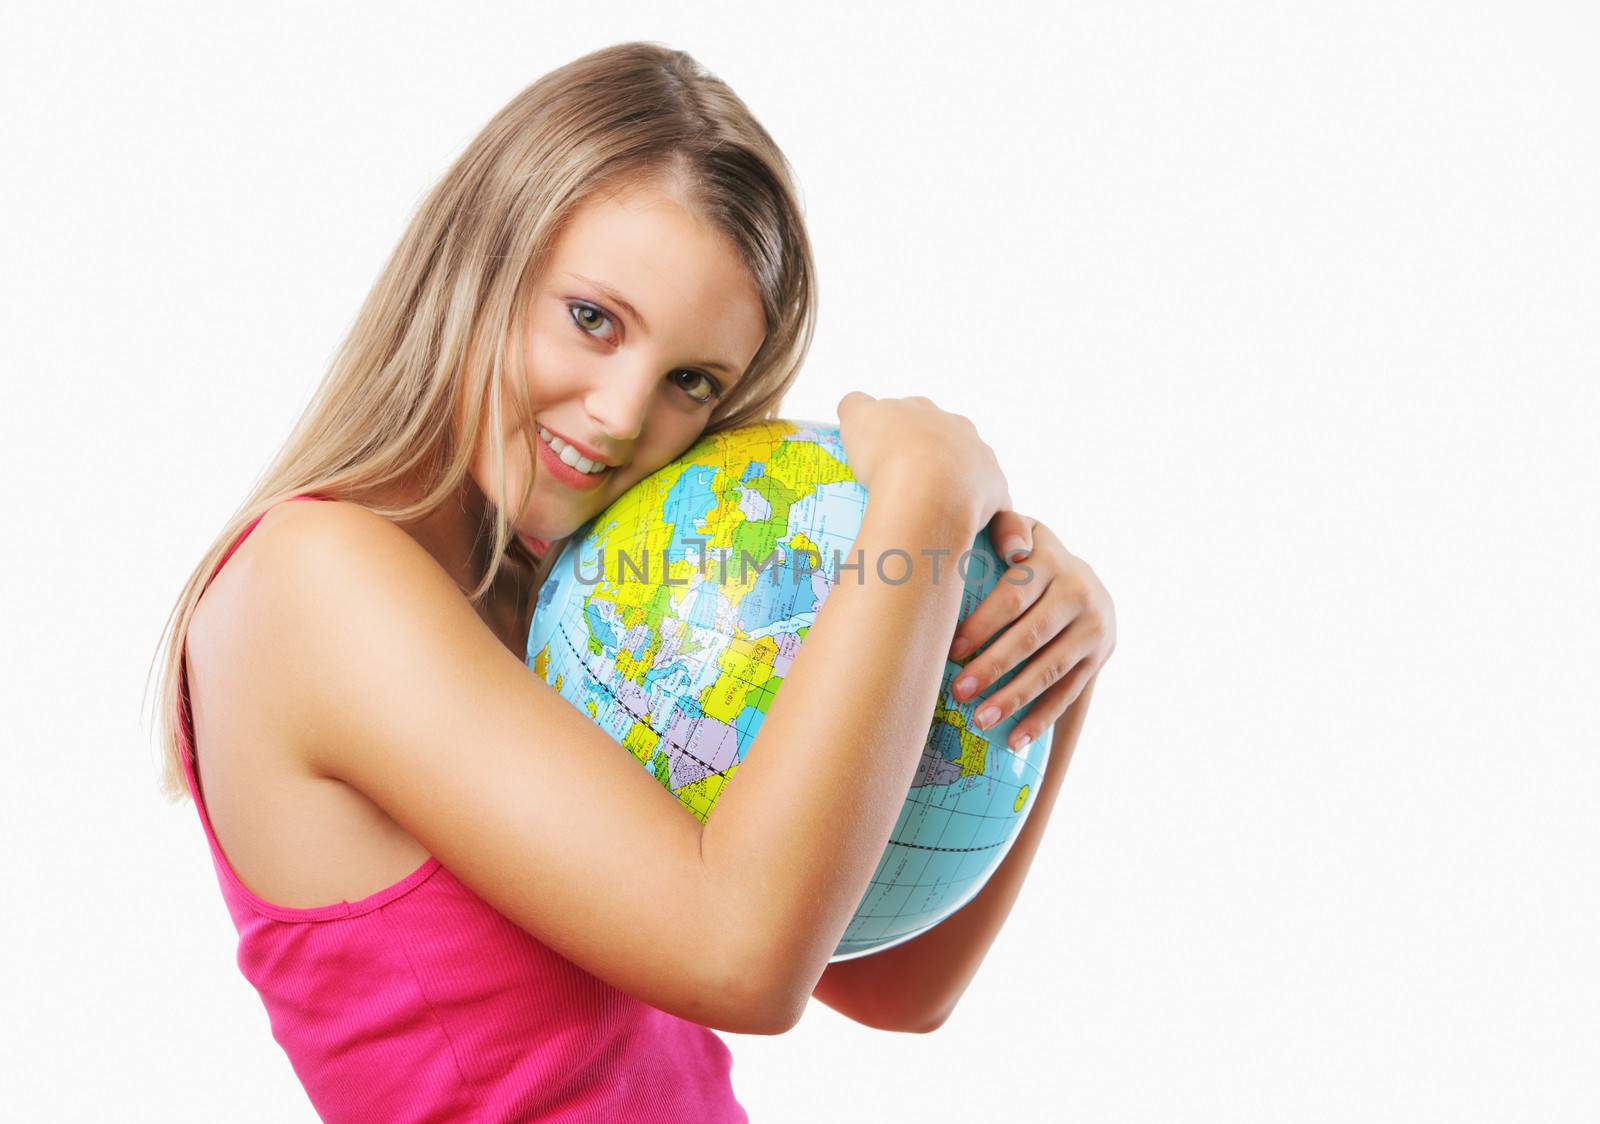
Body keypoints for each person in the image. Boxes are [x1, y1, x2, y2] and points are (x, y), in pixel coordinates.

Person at [148, 41, 1116, 1122]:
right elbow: (740, 958)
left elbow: (896, 981)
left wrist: (1041, 656)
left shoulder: (583, 612)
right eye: (592, 319)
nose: (618, 415)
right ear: (476, 259)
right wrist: (924, 500)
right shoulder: (313, 580)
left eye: (689, 380)